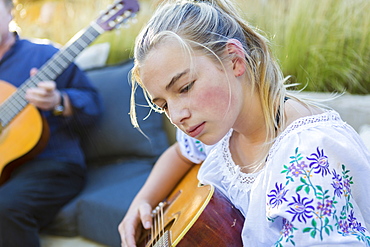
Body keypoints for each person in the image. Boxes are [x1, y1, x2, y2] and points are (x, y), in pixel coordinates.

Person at [118, 0, 370, 246]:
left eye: (184, 87)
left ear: (234, 60)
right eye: (163, 105)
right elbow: (181, 153)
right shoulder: (220, 130)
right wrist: (143, 201)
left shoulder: (308, 159)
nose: (175, 116)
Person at [0, 0, 102, 246]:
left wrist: (58, 101)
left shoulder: (45, 55)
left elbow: (93, 104)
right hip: (7, 171)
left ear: (9, 9)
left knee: (4, 208)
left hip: (53, 165)